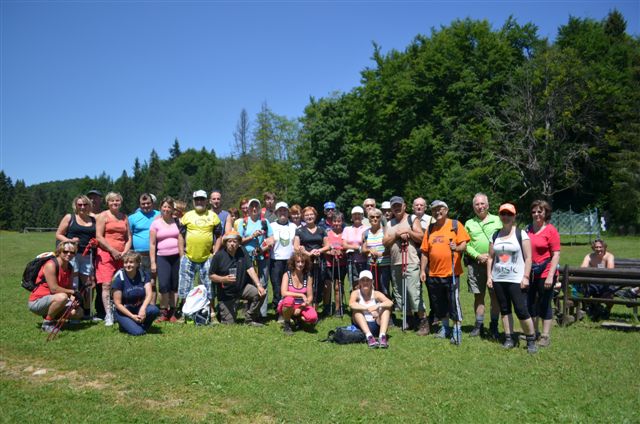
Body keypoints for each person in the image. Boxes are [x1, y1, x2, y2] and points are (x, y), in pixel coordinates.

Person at [486, 203, 537, 353]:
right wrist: (489, 276)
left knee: (521, 310)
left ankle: (531, 340)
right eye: (503, 214)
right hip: (499, 279)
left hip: (516, 279)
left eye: (509, 214)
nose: (506, 217)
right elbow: (490, 258)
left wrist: (526, 277)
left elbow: (528, 258)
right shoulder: (495, 235)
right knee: (505, 309)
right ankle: (509, 338)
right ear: (500, 216)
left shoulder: (521, 234)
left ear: (514, 216)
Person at [419, 200, 470, 345]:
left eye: (439, 209)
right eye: (434, 210)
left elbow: (464, 245)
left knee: (453, 302)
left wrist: (457, 248)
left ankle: (457, 329)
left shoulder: (455, 225)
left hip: (451, 273)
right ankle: (445, 328)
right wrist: (423, 270)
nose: (437, 212)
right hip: (433, 273)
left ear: (446, 210)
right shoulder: (430, 229)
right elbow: (424, 252)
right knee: (439, 304)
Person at [383, 196, 429, 334]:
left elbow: (422, 237)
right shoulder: (389, 223)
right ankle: (408, 319)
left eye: (399, 205)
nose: (396, 208)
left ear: (404, 206)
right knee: (399, 293)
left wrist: (408, 232)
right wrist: (396, 235)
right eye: (394, 206)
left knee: (413, 292)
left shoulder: (412, 219)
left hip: (410, 260)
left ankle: (423, 321)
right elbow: (385, 243)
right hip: (395, 262)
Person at [463, 193, 503, 338]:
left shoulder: (498, 220)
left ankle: (494, 326)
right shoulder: (469, 223)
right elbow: (465, 244)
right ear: (473, 207)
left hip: (496, 264)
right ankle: (478, 325)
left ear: (488, 205)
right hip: (476, 264)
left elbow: (505, 238)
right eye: (477, 204)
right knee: (478, 296)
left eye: (482, 204)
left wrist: (492, 256)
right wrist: (478, 256)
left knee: (495, 297)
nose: (480, 207)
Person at [178, 190, 223, 313]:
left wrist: (215, 253)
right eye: (197, 199)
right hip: (188, 257)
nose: (199, 201)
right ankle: (185, 312)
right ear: (193, 201)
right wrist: (182, 254)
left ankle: (211, 311)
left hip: (207, 257)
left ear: (206, 201)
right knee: (185, 286)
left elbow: (219, 236)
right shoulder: (187, 216)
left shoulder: (213, 216)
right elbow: (181, 236)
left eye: (202, 199)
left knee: (209, 286)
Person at [209, 231, 266, 326]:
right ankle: (223, 310)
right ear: (225, 243)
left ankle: (249, 318)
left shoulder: (242, 251)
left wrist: (259, 285)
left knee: (260, 293)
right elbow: (211, 275)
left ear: (239, 243)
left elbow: (250, 269)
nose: (232, 244)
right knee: (230, 323)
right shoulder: (218, 256)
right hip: (226, 294)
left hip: (241, 288)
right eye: (229, 241)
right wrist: (223, 279)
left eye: (235, 241)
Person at [526, 199, 561, 348]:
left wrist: (550, 275)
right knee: (530, 303)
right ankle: (533, 332)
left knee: (545, 304)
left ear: (546, 212)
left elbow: (556, 254)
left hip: (546, 271)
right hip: (531, 271)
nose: (536, 214)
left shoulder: (551, 230)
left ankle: (545, 335)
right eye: (534, 212)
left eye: (539, 211)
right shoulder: (528, 229)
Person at [55, 194, 96, 319]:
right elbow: (58, 234)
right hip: (71, 255)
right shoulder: (70, 217)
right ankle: (72, 311)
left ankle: (87, 311)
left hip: (88, 255)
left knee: (89, 284)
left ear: (89, 205)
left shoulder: (93, 219)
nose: (82, 207)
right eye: (80, 204)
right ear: (75, 205)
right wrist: (70, 241)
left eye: (85, 204)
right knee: (73, 284)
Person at [28, 241, 83, 333]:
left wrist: (74, 300)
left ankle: (52, 318)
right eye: (65, 252)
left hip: (55, 299)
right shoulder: (51, 265)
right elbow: (54, 288)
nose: (69, 254)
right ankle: (47, 324)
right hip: (37, 302)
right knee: (62, 297)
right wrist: (73, 292)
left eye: (72, 252)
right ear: (59, 252)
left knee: (78, 312)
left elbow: (69, 289)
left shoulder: (70, 267)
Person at [95, 192, 131, 326]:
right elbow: (99, 237)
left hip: (122, 255)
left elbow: (128, 238)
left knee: (120, 284)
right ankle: (108, 314)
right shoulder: (103, 216)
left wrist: (125, 251)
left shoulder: (124, 217)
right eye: (112, 201)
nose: (115, 203)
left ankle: (119, 311)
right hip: (106, 254)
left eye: (117, 201)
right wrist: (112, 250)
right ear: (107, 203)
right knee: (106, 284)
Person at [238, 198, 274, 319]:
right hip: (246, 258)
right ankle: (249, 312)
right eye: (251, 206)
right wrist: (252, 236)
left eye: (256, 206)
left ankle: (261, 313)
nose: (254, 209)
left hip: (262, 257)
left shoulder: (265, 222)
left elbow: (271, 240)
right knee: (248, 284)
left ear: (259, 208)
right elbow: (238, 241)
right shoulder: (243, 222)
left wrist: (262, 249)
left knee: (263, 284)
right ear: (248, 209)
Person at [112, 251, 160, 336]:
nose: (128, 265)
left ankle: (138, 325)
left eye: (131, 262)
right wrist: (132, 316)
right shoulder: (119, 278)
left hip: (138, 308)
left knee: (154, 310)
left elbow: (149, 294)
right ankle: (127, 325)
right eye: (126, 262)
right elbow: (118, 304)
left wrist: (143, 308)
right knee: (138, 332)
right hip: (124, 311)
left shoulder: (143, 275)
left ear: (138, 264)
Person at [150, 197, 182, 322]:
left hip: (176, 257)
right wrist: (153, 262)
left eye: (169, 207)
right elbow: (152, 244)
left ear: (172, 209)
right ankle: (163, 312)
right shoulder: (155, 223)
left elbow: (181, 239)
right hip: (162, 256)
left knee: (175, 285)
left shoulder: (178, 222)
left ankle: (173, 312)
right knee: (163, 285)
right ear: (160, 208)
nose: (166, 209)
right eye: (164, 206)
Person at [294, 206, 330, 309]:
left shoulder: (321, 230)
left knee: (319, 283)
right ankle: (305, 307)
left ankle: (315, 308)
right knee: (306, 284)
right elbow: (296, 247)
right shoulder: (299, 230)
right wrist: (307, 253)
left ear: (315, 215)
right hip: (305, 262)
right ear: (303, 217)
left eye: (311, 214)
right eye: (306, 215)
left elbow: (328, 246)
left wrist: (319, 251)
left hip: (319, 261)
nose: (309, 217)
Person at [349, 270, 393, 348]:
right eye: (363, 280)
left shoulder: (376, 294)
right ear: (359, 282)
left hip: (375, 323)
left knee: (386, 309)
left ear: (372, 281)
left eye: (367, 280)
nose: (365, 282)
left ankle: (382, 337)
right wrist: (367, 309)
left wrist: (377, 306)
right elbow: (351, 304)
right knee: (357, 311)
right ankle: (369, 337)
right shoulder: (356, 293)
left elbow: (390, 303)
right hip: (361, 326)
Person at [129, 193, 160, 303]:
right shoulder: (132, 218)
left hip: (154, 254)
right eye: (143, 204)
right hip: (138, 255)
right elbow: (129, 236)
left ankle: (151, 306)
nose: (146, 205)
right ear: (139, 204)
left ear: (152, 203)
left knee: (152, 281)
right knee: (138, 282)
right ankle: (139, 305)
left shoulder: (159, 215)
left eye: (148, 203)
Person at [278, 252, 318, 335]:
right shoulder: (287, 275)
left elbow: (310, 297)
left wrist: (302, 307)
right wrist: (301, 295)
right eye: (298, 262)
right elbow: (284, 293)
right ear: (293, 263)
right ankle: (287, 324)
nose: (300, 264)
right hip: (288, 304)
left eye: (302, 262)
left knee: (313, 317)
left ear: (305, 263)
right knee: (288, 300)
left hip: (302, 305)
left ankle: (298, 319)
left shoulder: (308, 277)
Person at [269, 202, 297, 314]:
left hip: (290, 260)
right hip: (275, 260)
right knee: (277, 286)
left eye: (284, 210)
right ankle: (278, 310)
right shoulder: (271, 226)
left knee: (290, 286)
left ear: (288, 212)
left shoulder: (294, 226)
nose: (282, 213)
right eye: (280, 211)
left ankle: (289, 309)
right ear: (276, 213)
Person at [579, 239, 616, 319]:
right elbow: (582, 268)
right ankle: (588, 309)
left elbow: (610, 270)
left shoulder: (609, 256)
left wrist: (593, 271)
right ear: (593, 248)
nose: (598, 249)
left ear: (604, 247)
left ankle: (607, 309)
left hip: (606, 282)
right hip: (593, 282)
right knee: (583, 290)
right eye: (596, 247)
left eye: (600, 247)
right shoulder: (589, 256)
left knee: (609, 297)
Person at [362, 208, 391, 296]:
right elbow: (363, 249)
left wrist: (379, 254)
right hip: (371, 264)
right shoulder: (366, 233)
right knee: (372, 287)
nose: (375, 219)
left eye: (377, 217)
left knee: (384, 288)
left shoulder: (385, 231)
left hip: (384, 264)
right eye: (372, 217)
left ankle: (386, 308)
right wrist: (369, 250)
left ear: (380, 218)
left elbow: (390, 250)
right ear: (368, 218)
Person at [324, 211, 347, 317]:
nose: (337, 223)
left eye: (339, 221)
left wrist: (341, 252)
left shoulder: (345, 233)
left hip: (341, 264)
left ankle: (338, 308)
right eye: (334, 221)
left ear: (342, 222)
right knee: (327, 286)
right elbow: (324, 249)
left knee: (338, 286)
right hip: (329, 263)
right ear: (331, 222)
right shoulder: (328, 234)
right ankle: (327, 307)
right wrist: (330, 252)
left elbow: (347, 247)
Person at [342, 206, 369, 290]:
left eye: (359, 215)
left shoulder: (367, 229)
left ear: (362, 216)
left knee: (365, 282)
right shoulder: (347, 229)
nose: (357, 217)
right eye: (354, 215)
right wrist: (357, 247)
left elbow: (367, 244)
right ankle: (355, 301)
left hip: (365, 261)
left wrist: (355, 248)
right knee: (354, 283)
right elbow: (344, 245)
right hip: (351, 261)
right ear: (351, 217)